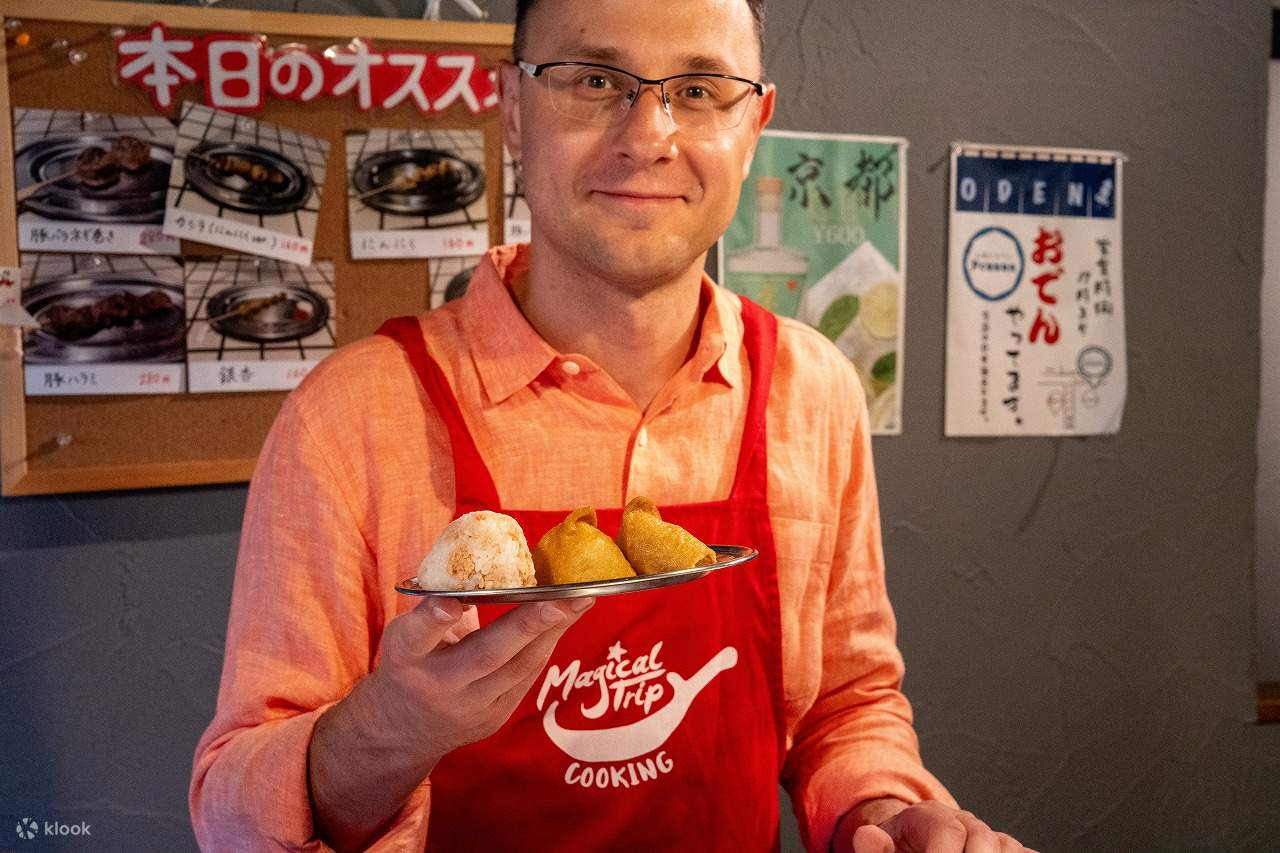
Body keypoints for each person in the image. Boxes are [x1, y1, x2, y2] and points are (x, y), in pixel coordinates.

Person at [190, 1, 1035, 851]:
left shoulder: (812, 391)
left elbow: (846, 706)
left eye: (699, 89)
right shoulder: (352, 413)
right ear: (512, 110)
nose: (648, 136)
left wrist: (885, 817)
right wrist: (386, 732)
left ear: (753, 125)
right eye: (595, 81)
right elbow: (232, 816)